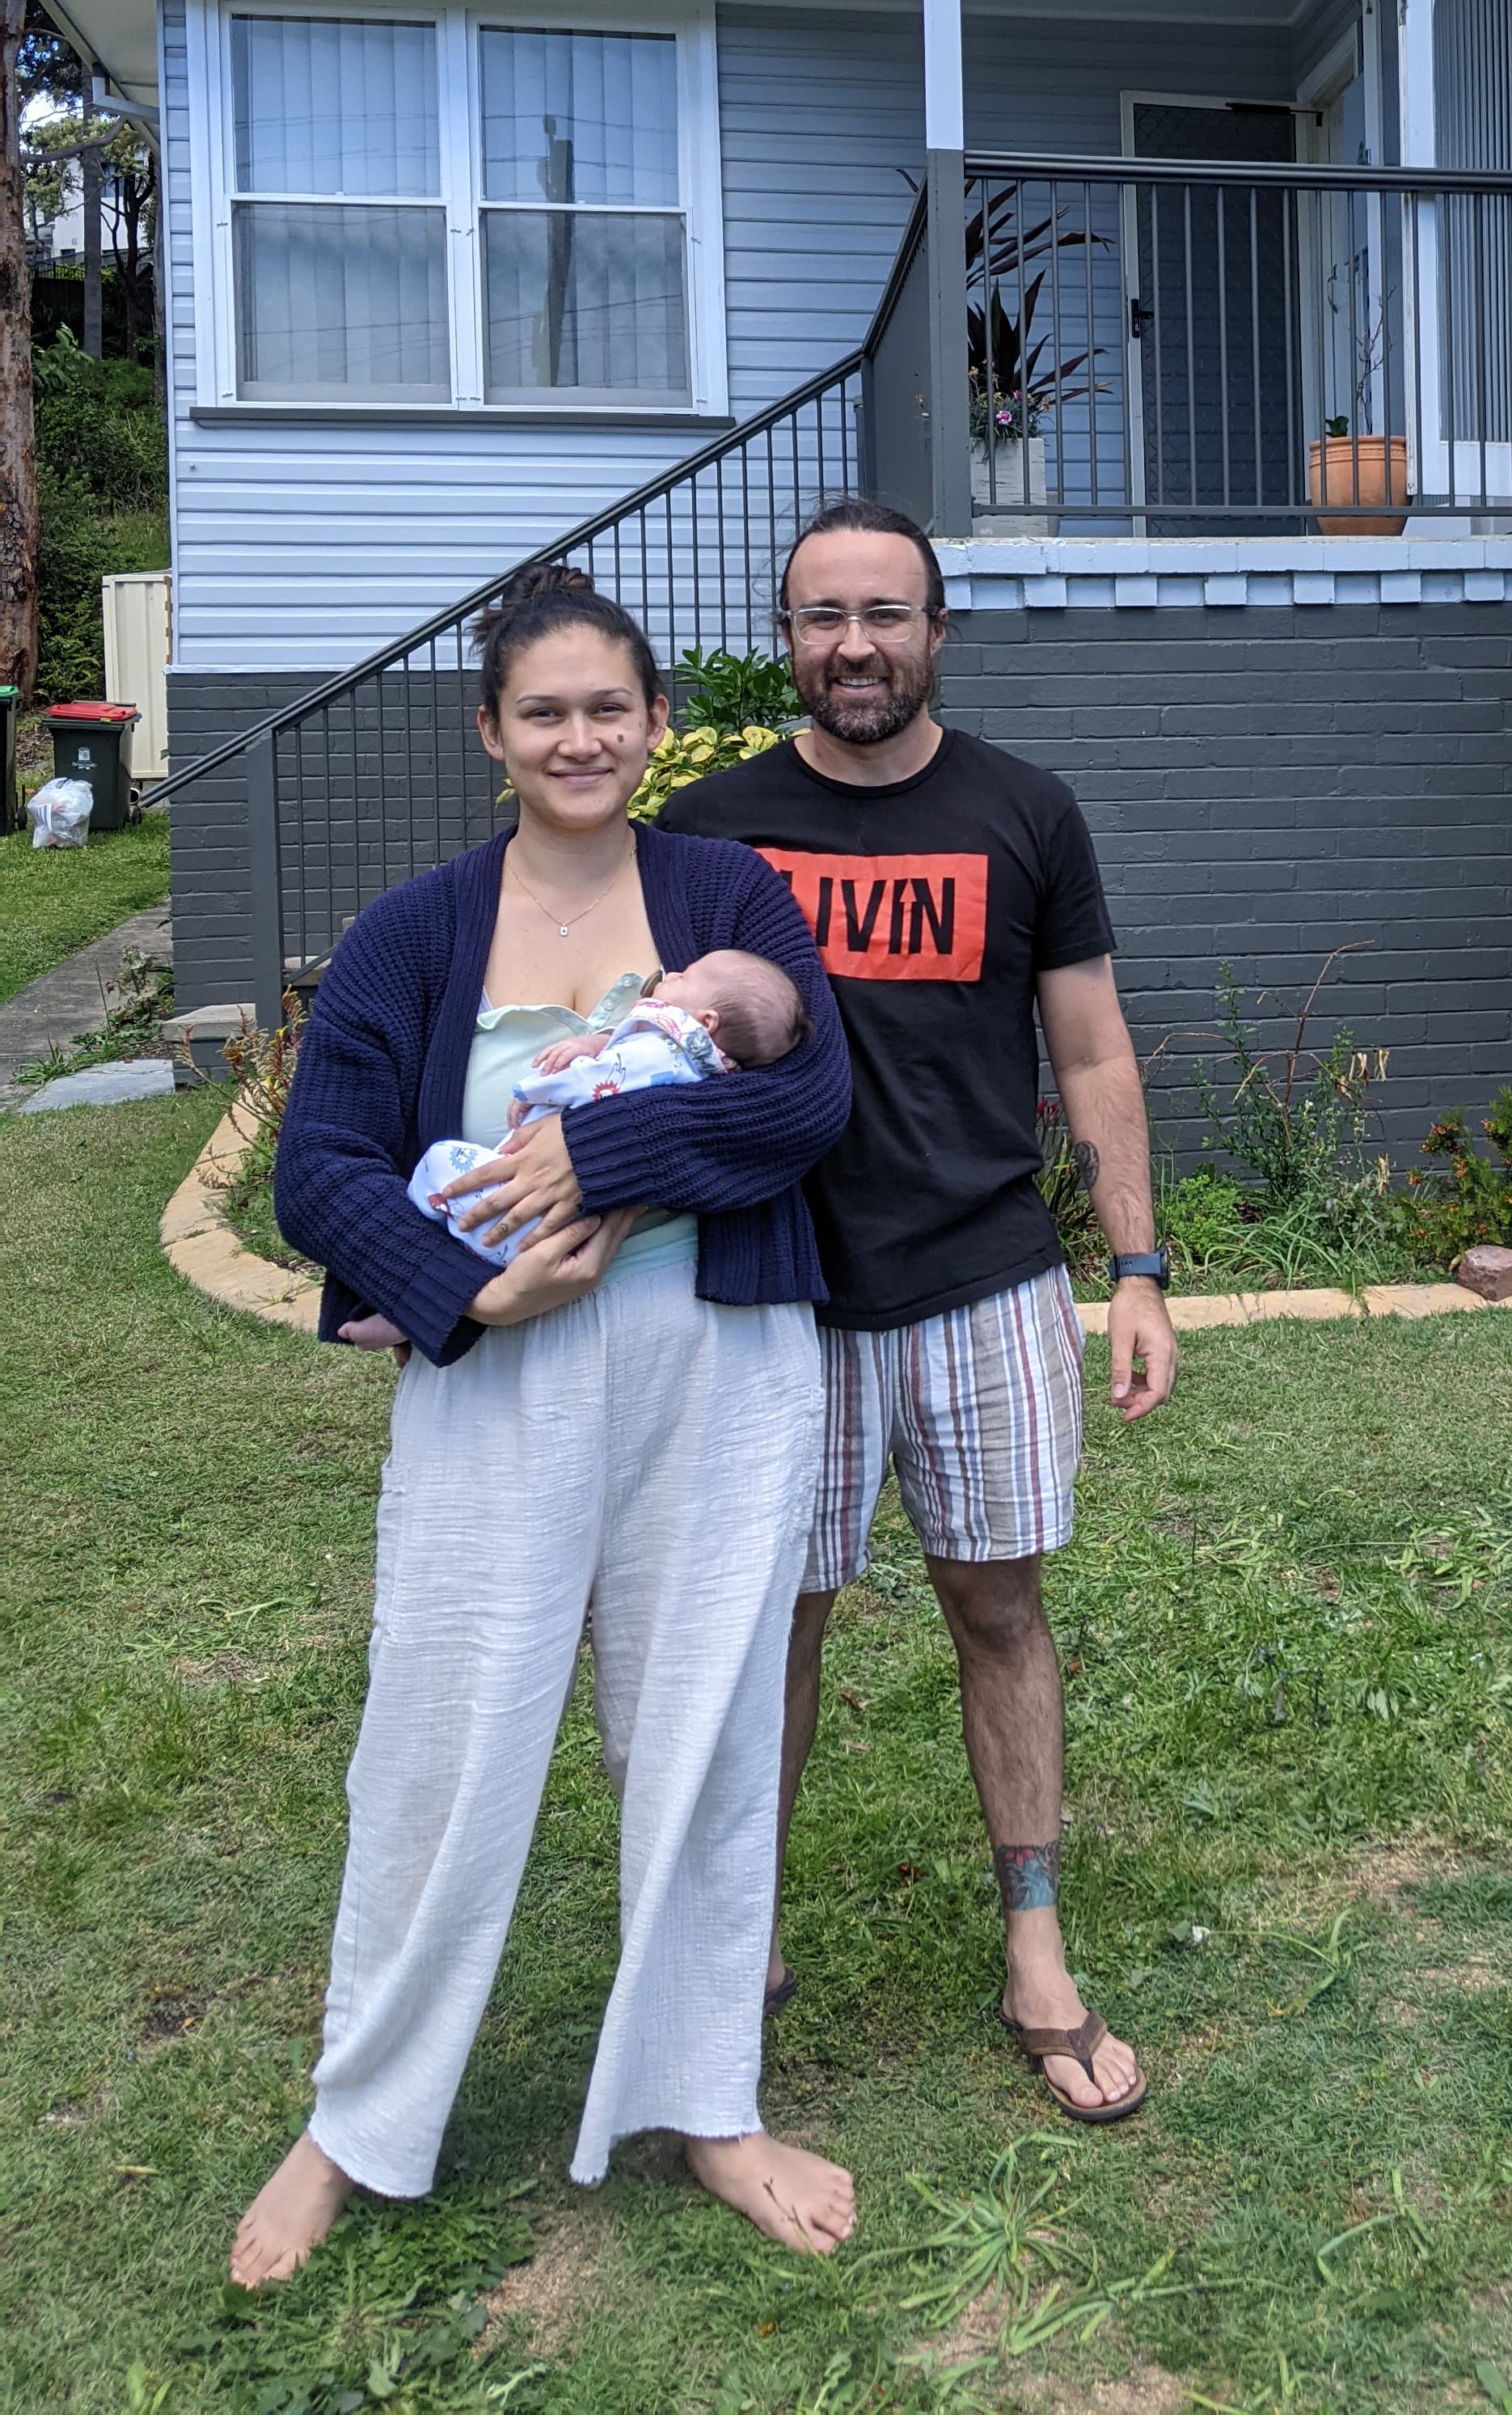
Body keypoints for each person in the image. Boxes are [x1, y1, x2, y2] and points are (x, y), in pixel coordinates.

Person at [229, 564, 859, 2290]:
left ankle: (707, 2101)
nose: (579, 739)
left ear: (655, 722)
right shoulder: (412, 931)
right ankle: (355, 2120)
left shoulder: (726, 891)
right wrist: (468, 1291)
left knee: (707, 1730)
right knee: (441, 1734)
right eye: (544, 712)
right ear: (490, 733)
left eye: (608, 709)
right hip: (496, 1373)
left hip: (716, 1362)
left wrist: (599, 1151)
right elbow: (318, 1168)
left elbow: (811, 1095)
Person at [660, 498, 1177, 2125]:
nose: (855, 645)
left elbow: (1090, 1051)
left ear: (936, 631)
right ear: (786, 637)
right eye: (823, 615)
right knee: (772, 1629)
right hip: (777, 1299)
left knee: (1000, 1611)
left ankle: (1036, 1945)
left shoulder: (1026, 812)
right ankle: (734, 1948)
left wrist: (1137, 1268)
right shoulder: (713, 834)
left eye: (885, 613)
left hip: (985, 1284)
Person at [408, 948, 806, 1267]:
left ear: (707, 1021)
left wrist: (532, 1091)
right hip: (556, 1230)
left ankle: (430, 1240)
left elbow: (599, 1077)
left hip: (516, 1209)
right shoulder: (692, 1063)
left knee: (438, 1162)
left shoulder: (660, 1052)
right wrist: (597, 1042)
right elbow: (625, 1058)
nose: (672, 975)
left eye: (686, 977)